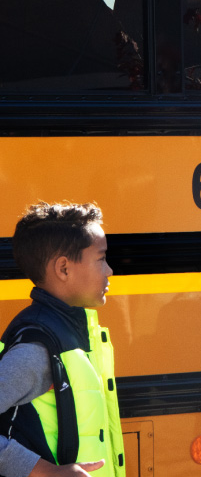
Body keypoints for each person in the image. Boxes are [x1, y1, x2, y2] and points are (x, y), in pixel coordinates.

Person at [0, 202, 123, 477]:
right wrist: (43, 470)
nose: (109, 271)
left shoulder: (74, 331)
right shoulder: (37, 348)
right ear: (64, 269)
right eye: (101, 258)